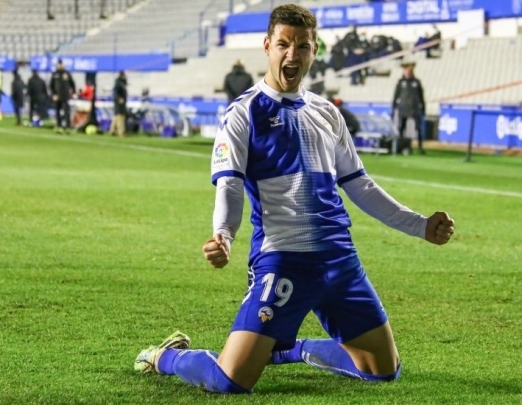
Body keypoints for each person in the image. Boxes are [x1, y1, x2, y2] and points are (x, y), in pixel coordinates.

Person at [133, 4, 455, 395]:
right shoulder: (243, 113)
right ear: (267, 46)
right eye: (283, 44)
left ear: (313, 50)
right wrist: (224, 235)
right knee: (230, 381)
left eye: (301, 46)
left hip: (339, 260)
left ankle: (289, 350)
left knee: (382, 370)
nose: (292, 54)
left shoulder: (327, 113)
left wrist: (420, 225)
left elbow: (360, 186)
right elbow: (230, 186)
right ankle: (166, 356)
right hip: (283, 261)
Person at [392, 62, 426, 154]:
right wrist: (393, 108)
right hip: (403, 108)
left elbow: (421, 97)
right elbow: (395, 96)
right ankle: (401, 146)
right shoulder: (400, 82)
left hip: (414, 109)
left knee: (418, 128)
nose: (407, 73)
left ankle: (420, 147)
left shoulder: (417, 82)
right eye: (406, 71)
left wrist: (423, 109)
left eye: (409, 71)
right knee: (402, 128)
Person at [50, 59, 76, 133]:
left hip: (65, 96)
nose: (60, 66)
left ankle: (67, 126)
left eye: (61, 64)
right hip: (57, 96)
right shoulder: (55, 74)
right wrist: (54, 94)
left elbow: (72, 84)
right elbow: (51, 85)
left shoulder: (67, 74)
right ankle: (59, 125)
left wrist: (73, 92)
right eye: (59, 64)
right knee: (57, 111)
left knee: (66, 111)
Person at [109, 71, 128, 137]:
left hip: (121, 101)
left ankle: (112, 130)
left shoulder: (121, 82)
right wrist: (119, 98)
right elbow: (116, 92)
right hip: (119, 101)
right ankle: (121, 132)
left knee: (117, 116)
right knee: (120, 116)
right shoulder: (118, 83)